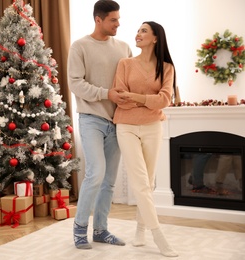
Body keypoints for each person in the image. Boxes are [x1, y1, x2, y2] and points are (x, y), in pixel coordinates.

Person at [67, 0, 132, 250]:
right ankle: (80, 228)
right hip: (91, 118)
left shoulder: (124, 47)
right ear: (98, 20)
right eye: (113, 19)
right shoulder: (80, 46)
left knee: (110, 181)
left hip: (118, 121)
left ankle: (101, 230)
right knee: (95, 174)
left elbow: (130, 81)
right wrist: (107, 94)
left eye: (118, 19)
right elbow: (75, 83)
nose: (118, 23)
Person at [112, 21, 178, 257]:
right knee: (140, 181)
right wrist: (146, 98)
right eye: (138, 30)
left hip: (152, 127)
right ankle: (158, 235)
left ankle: (140, 230)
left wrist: (134, 96)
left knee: (148, 183)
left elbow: (165, 100)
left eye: (143, 31)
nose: (137, 34)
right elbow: (120, 98)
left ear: (155, 38)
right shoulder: (125, 63)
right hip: (126, 126)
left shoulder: (166, 68)